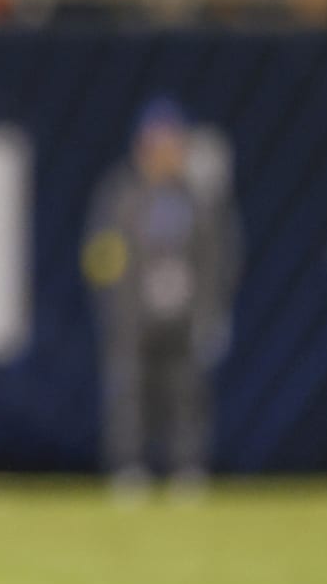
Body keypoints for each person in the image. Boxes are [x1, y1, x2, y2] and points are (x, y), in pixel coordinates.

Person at [83, 97, 241, 498]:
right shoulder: (121, 195)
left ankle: (187, 469)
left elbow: (218, 256)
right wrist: (115, 302)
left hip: (184, 312)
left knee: (186, 392)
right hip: (136, 311)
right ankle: (129, 468)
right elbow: (101, 253)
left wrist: (210, 308)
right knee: (130, 391)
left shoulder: (198, 198)